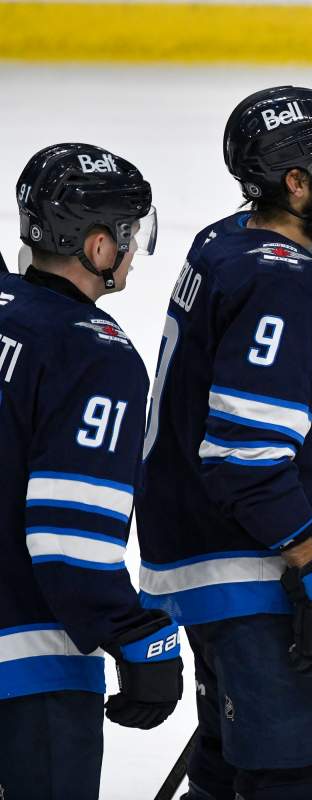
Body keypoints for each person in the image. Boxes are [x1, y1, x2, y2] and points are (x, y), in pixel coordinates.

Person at [136, 86, 312, 800]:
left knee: (231, 770)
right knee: (282, 777)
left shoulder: (226, 242)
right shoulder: (281, 281)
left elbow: (225, 391)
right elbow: (242, 457)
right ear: (297, 183)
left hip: (200, 555)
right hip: (249, 575)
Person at [0, 143, 183, 798]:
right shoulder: (94, 357)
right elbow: (67, 540)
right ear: (100, 248)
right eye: (129, 234)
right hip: (27, 673)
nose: (134, 249)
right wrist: (137, 638)